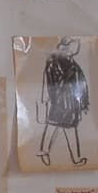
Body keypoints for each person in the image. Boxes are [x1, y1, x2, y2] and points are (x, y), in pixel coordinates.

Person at [38, 38, 91, 167]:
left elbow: (82, 84)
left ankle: (75, 158)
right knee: (53, 126)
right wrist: (48, 99)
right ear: (65, 47)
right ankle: (44, 152)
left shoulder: (73, 64)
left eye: (77, 46)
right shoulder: (54, 63)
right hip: (60, 102)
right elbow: (50, 84)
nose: (76, 48)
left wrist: (84, 102)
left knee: (69, 128)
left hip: (72, 104)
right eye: (74, 45)